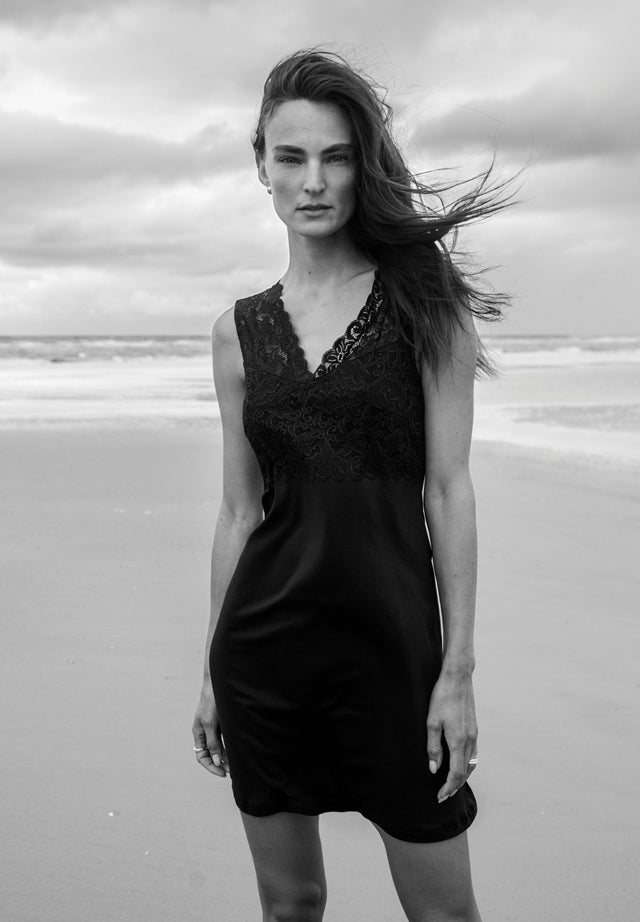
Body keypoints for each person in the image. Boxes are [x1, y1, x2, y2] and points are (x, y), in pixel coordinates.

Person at [192, 48, 512, 922]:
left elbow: (448, 489)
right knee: (291, 905)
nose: (313, 181)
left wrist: (458, 670)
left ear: (361, 165)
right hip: (265, 654)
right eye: (291, 157)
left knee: (445, 915)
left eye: (335, 157)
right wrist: (213, 671)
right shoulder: (236, 332)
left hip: (395, 655)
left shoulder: (425, 304)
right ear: (261, 165)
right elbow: (239, 510)